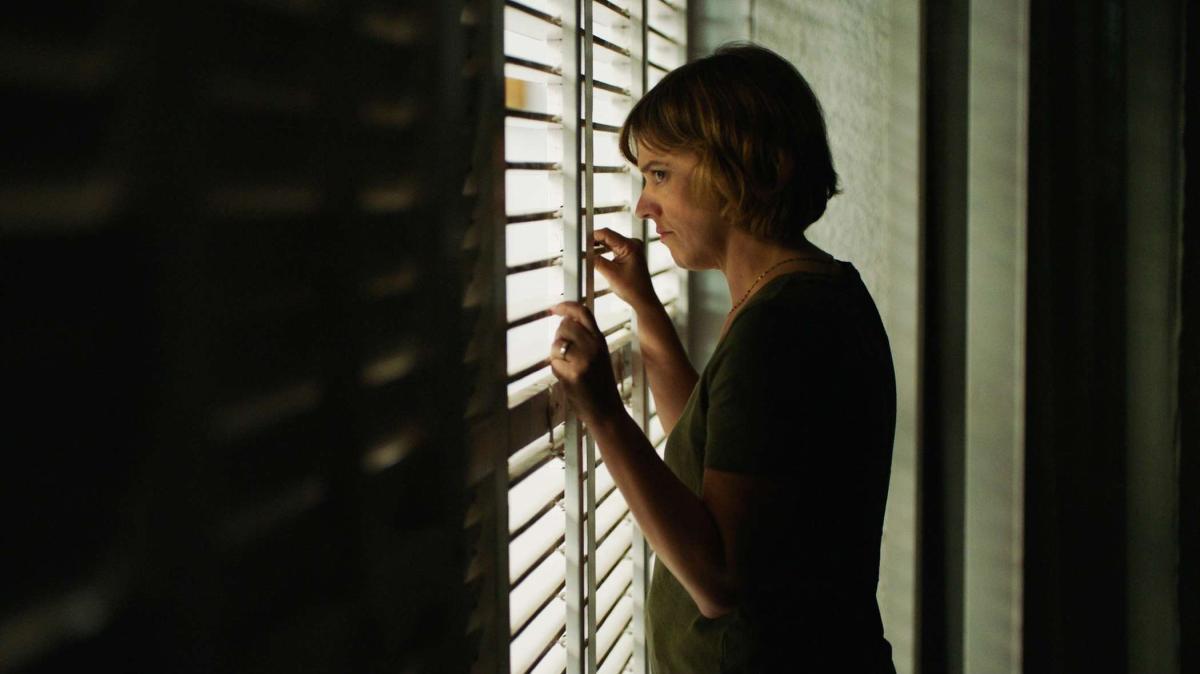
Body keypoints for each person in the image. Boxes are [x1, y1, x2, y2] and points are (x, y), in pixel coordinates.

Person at [548, 43, 897, 673]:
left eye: (659, 174)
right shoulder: (813, 293)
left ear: (749, 168)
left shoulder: (780, 328)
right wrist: (645, 308)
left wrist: (602, 412)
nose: (643, 205)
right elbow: (714, 451)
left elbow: (718, 579)